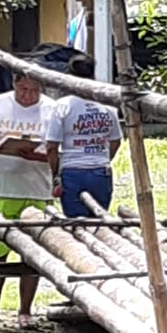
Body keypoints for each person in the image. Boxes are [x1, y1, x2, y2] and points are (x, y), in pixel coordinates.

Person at [0, 74, 54, 333]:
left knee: (31, 255)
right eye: (23, 89)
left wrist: (39, 155)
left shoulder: (53, 110)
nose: (28, 95)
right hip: (1, 190)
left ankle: (25, 311)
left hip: (37, 191)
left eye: (33, 90)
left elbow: (60, 149)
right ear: (14, 85)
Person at [46, 54, 122, 217]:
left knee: (76, 223)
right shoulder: (107, 105)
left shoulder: (62, 106)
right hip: (101, 172)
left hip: (72, 171)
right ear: (93, 75)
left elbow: (51, 147)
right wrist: (102, 158)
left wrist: (55, 174)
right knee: (100, 221)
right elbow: (116, 141)